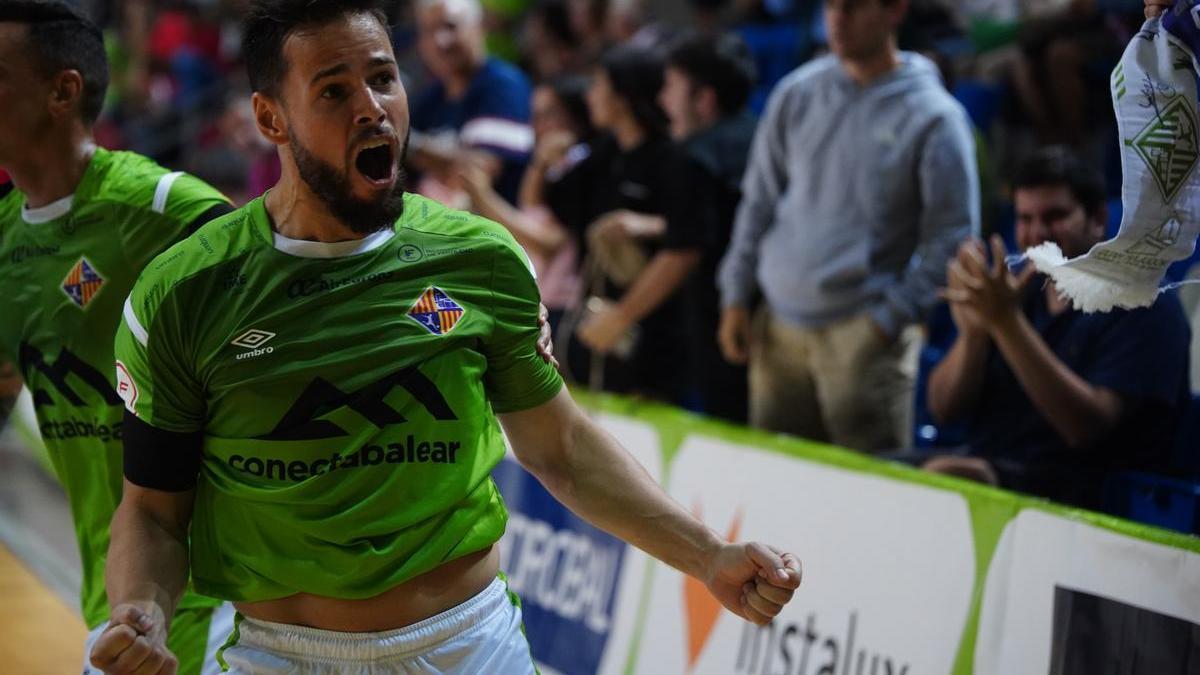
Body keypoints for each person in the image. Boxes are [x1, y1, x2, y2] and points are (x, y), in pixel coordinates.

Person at [90, 3, 802, 674]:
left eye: (383, 78)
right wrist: (140, 609)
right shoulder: (184, 293)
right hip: (283, 653)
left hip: (468, 645)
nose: (373, 107)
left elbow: (564, 450)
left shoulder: (480, 260)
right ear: (271, 118)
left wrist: (709, 556)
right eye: (334, 91)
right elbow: (153, 508)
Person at [0, 2, 236, 673]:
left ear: (63, 90)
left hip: (213, 595)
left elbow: (281, 302)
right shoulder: (4, 239)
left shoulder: (165, 209)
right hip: (114, 593)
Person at [717, 0, 979, 451]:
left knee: (869, 500)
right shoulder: (796, 93)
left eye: (854, 7)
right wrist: (736, 294)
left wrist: (888, 320)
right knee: (777, 486)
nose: (837, 18)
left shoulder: (935, 116)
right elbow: (758, 201)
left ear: (895, 11)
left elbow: (953, 236)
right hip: (778, 326)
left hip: (863, 335)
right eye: (831, 6)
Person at [924, 147, 1190, 510]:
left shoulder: (1144, 305)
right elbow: (943, 409)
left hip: (1082, 492)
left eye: (1055, 216)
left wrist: (1005, 323)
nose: (1037, 234)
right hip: (988, 464)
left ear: (1097, 219)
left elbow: (1085, 427)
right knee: (874, 470)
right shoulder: (1018, 292)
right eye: (1025, 218)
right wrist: (975, 333)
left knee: (942, 476)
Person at [548, 45, 717, 405]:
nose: (589, 95)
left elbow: (685, 249)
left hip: (656, 339)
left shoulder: (675, 160)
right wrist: (541, 164)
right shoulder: (604, 154)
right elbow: (554, 207)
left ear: (622, 96)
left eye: (598, 85)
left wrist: (622, 317)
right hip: (600, 326)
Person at [659, 31, 758, 422]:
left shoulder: (692, 157)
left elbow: (684, 250)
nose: (662, 100)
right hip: (773, 310)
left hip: (721, 321)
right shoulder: (763, 135)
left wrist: (620, 319)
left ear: (704, 99)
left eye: (670, 88)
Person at [460, 76, 595, 331]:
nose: (538, 125)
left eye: (549, 114)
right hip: (545, 296)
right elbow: (531, 206)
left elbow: (548, 241)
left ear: (576, 115)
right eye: (535, 115)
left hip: (565, 305)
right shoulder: (555, 165)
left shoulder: (581, 163)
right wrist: (540, 163)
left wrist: (483, 196)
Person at [408, 0, 534, 202]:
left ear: (479, 27)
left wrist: (407, 143)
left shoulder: (504, 85)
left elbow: (479, 172)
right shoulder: (429, 98)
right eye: (428, 31)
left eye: (450, 26)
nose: (440, 41)